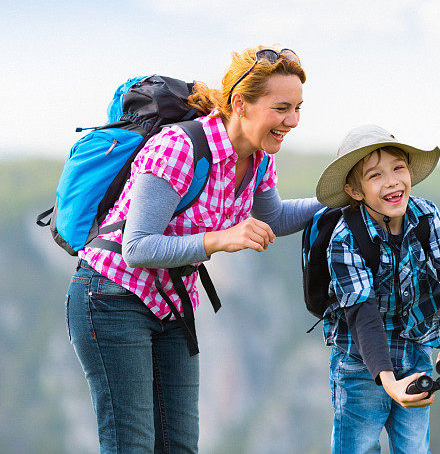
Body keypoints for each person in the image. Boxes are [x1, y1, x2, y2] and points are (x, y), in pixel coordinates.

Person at [66, 46, 322, 453]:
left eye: (298, 108)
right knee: (131, 444)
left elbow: (274, 218)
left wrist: (342, 197)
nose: (292, 121)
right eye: (282, 108)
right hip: (110, 297)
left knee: (180, 445)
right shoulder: (179, 147)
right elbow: (136, 247)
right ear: (241, 103)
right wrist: (221, 238)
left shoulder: (258, 158)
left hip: (170, 304)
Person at [315, 125, 440, 453]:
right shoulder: (344, 240)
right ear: (355, 190)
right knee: (359, 447)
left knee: (413, 448)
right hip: (359, 362)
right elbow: (363, 316)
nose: (392, 181)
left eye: (398, 168)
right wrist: (390, 383)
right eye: (375, 175)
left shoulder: (426, 216)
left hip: (415, 347)